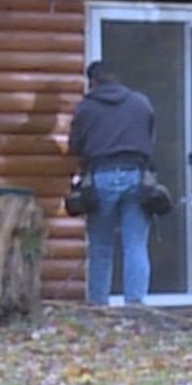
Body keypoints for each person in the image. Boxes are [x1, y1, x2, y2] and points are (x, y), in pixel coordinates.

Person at [68, 59, 157, 305]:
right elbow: (149, 143)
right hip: (137, 177)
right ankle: (135, 304)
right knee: (136, 245)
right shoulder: (141, 103)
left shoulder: (86, 108)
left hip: (100, 177)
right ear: (116, 78)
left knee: (101, 246)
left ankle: (99, 304)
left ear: (93, 82)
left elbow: (75, 146)